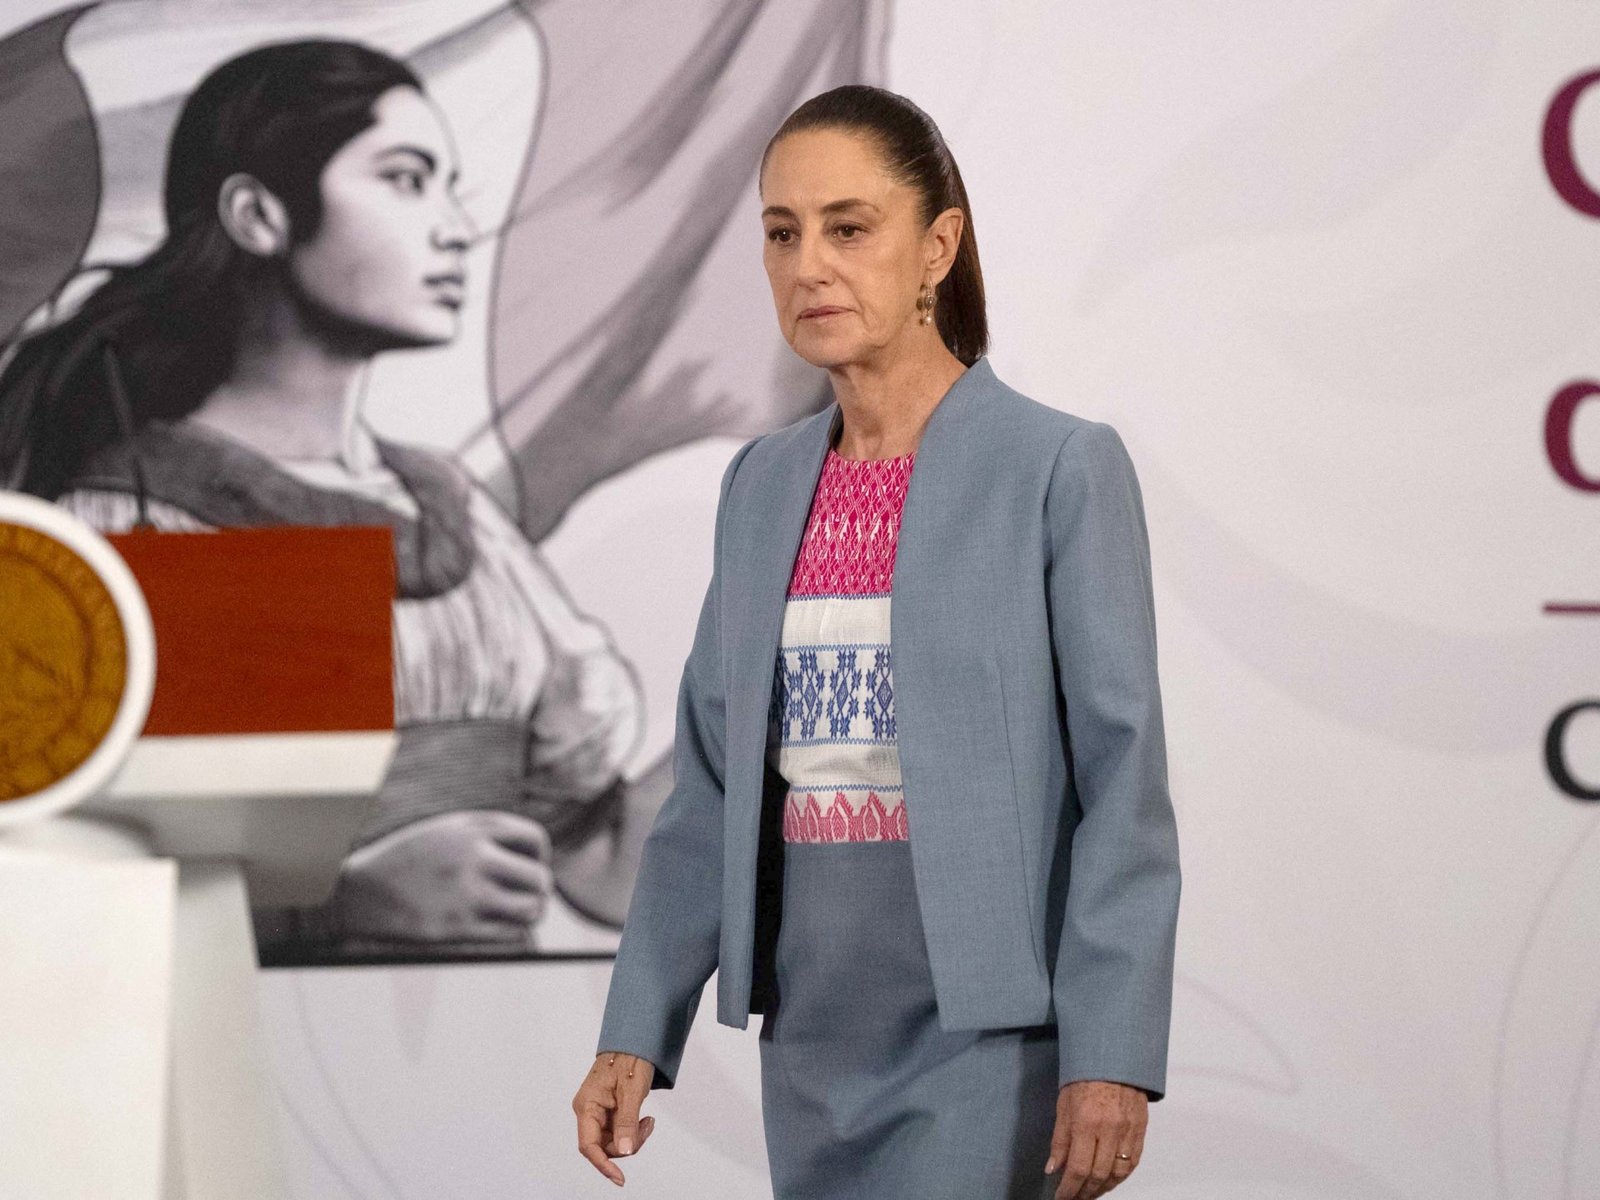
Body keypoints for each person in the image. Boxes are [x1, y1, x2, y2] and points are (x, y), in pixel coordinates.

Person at [571, 85, 1182, 1199]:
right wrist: (633, 1033)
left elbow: (1122, 786)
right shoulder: (760, 485)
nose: (810, 266)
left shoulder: (1056, 470)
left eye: (849, 229)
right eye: (781, 232)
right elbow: (708, 792)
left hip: (993, 1041)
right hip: (809, 1037)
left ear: (935, 246)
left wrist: (1112, 1058)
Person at [0, 39, 652, 961]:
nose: (455, 226)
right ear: (258, 215)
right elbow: (64, 896)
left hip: (491, 1053)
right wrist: (342, 902)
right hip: (267, 1065)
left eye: (449, 182)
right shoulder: (141, 519)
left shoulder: (449, 504)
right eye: (405, 178)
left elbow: (596, 850)